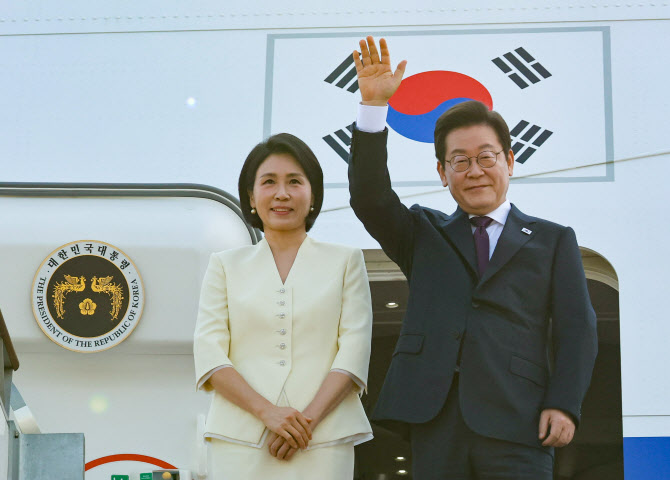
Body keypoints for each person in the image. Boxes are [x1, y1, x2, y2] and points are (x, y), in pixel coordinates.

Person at [347, 37, 598, 479]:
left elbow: (577, 329)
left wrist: (563, 403)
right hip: (436, 419)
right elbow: (370, 197)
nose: (475, 170)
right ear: (442, 173)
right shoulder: (422, 234)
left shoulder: (553, 240)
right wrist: (373, 107)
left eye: (486, 157)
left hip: (521, 421)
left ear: (510, 161)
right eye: (460, 161)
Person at [194, 133, 373, 479]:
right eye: (269, 182)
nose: (282, 193)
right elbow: (209, 354)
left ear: (313, 194)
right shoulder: (225, 265)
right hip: (240, 438)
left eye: (294, 181)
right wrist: (268, 413)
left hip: (323, 439)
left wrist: (306, 423)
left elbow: (354, 350)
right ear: (251, 196)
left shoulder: (346, 261)